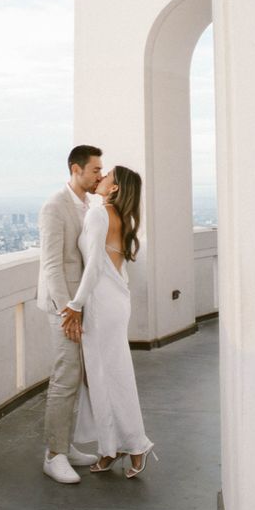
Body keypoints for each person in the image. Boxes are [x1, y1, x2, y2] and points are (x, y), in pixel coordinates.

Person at [62, 165, 156, 477]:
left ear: (114, 189)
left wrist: (75, 305)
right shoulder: (120, 216)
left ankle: (135, 445)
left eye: (107, 176)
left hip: (102, 305)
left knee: (108, 377)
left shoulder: (100, 214)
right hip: (114, 301)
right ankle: (111, 448)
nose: (100, 178)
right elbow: (113, 266)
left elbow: (93, 268)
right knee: (104, 377)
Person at [38, 145, 103, 483]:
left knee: (77, 374)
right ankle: (53, 454)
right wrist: (68, 310)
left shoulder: (87, 205)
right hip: (63, 307)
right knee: (65, 377)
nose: (99, 176)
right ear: (76, 169)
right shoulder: (54, 206)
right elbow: (51, 264)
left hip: (78, 305)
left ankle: (66, 444)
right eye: (94, 170)